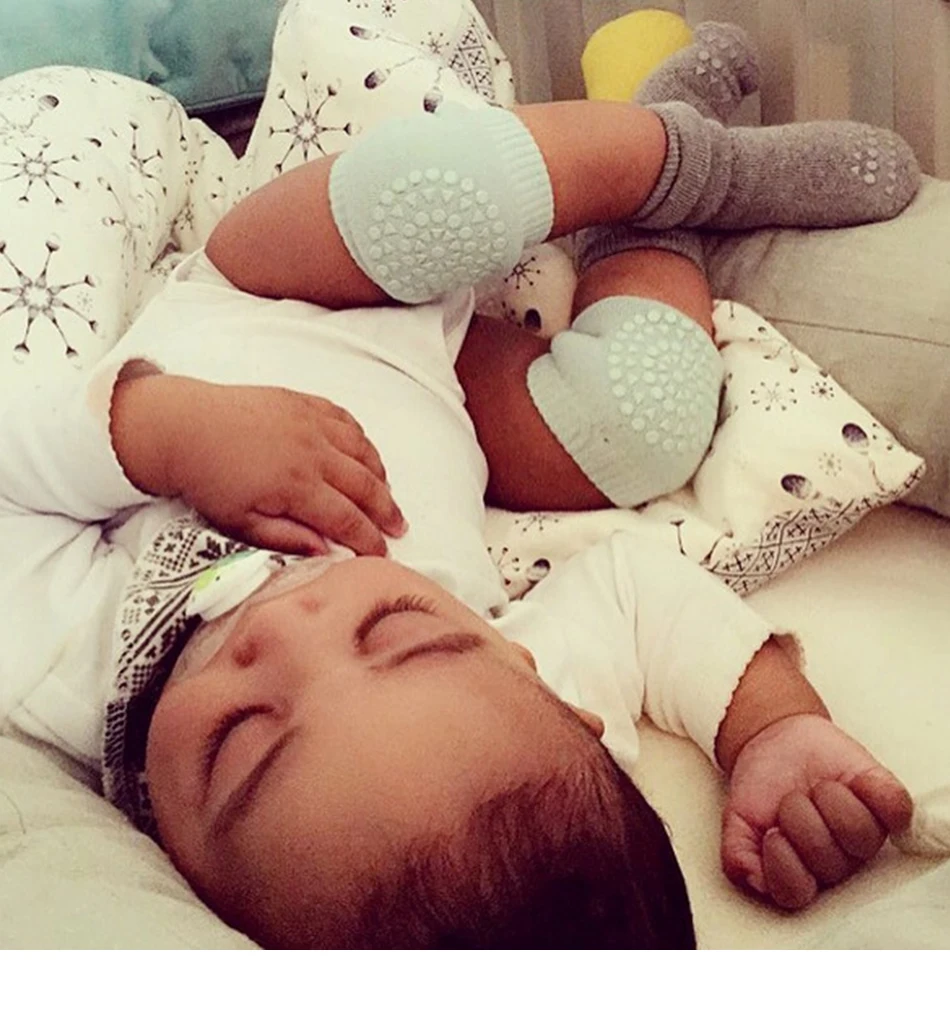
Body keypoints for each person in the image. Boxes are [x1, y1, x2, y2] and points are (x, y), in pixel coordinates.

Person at [0, 25, 916, 948]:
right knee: (645, 425)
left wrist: (166, 431)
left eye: (237, 735)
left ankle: (656, 147)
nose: (288, 627)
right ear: (549, 687)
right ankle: (687, 171)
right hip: (391, 333)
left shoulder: (72, 665)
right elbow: (643, 597)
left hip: (269, 289)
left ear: (177, 859)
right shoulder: (511, 706)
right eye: (396, 632)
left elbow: (13, 476)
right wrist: (772, 726)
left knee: (431, 201)